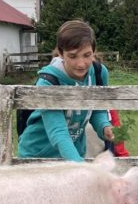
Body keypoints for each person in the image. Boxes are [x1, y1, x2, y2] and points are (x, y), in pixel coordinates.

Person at [18, 19, 114, 162]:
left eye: (87, 55)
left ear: (94, 51)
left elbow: (97, 110)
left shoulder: (99, 73)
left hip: (74, 154)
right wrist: (80, 167)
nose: (81, 64)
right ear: (61, 53)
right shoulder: (47, 83)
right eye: (73, 56)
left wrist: (104, 127)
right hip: (39, 157)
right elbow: (58, 132)